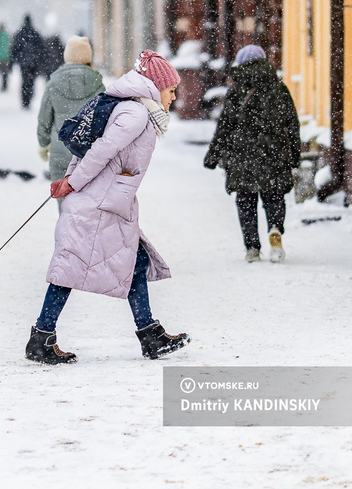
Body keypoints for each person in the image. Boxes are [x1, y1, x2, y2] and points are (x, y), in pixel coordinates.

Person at [26, 50, 190, 365]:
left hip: (107, 202)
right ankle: (42, 338)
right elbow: (100, 151)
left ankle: (149, 334)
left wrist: (74, 180)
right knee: (71, 267)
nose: (174, 97)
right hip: (98, 205)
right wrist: (71, 183)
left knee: (133, 263)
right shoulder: (136, 114)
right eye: (171, 90)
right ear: (157, 87)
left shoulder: (135, 109)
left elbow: (99, 151)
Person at [203, 45, 301, 263]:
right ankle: (275, 230)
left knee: (246, 201)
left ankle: (252, 247)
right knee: (273, 196)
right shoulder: (278, 87)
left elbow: (225, 126)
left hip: (242, 155)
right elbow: (292, 124)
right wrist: (294, 154)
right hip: (274, 153)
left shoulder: (237, 90)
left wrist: (213, 154)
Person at [36, 36, 105, 211]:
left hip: (60, 153)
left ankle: (67, 237)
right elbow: (104, 120)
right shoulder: (98, 84)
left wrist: (44, 145)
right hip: (88, 155)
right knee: (87, 210)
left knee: (65, 208)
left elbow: (44, 120)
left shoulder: (53, 83)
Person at [11, 15, 45, 109]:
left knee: (24, 80)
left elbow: (15, 48)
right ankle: (29, 98)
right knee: (31, 81)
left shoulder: (20, 33)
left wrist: (14, 60)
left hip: (23, 62)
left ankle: (24, 100)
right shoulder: (35, 33)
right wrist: (40, 60)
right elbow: (42, 48)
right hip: (34, 62)